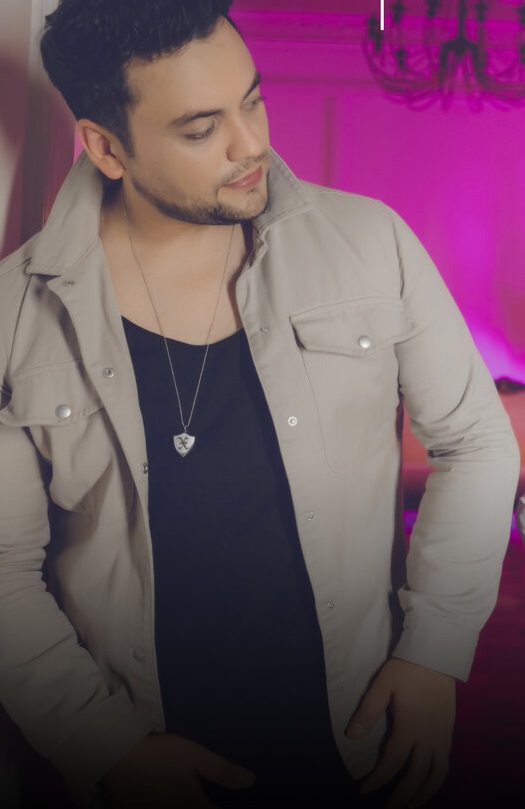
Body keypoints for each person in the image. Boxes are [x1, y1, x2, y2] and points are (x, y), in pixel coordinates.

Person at [0, 1, 519, 807]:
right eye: (200, 128)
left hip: (358, 747)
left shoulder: (370, 243)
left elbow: (476, 441)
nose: (251, 145)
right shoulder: (14, 315)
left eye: (252, 100)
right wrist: (106, 745)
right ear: (106, 148)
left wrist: (432, 651)